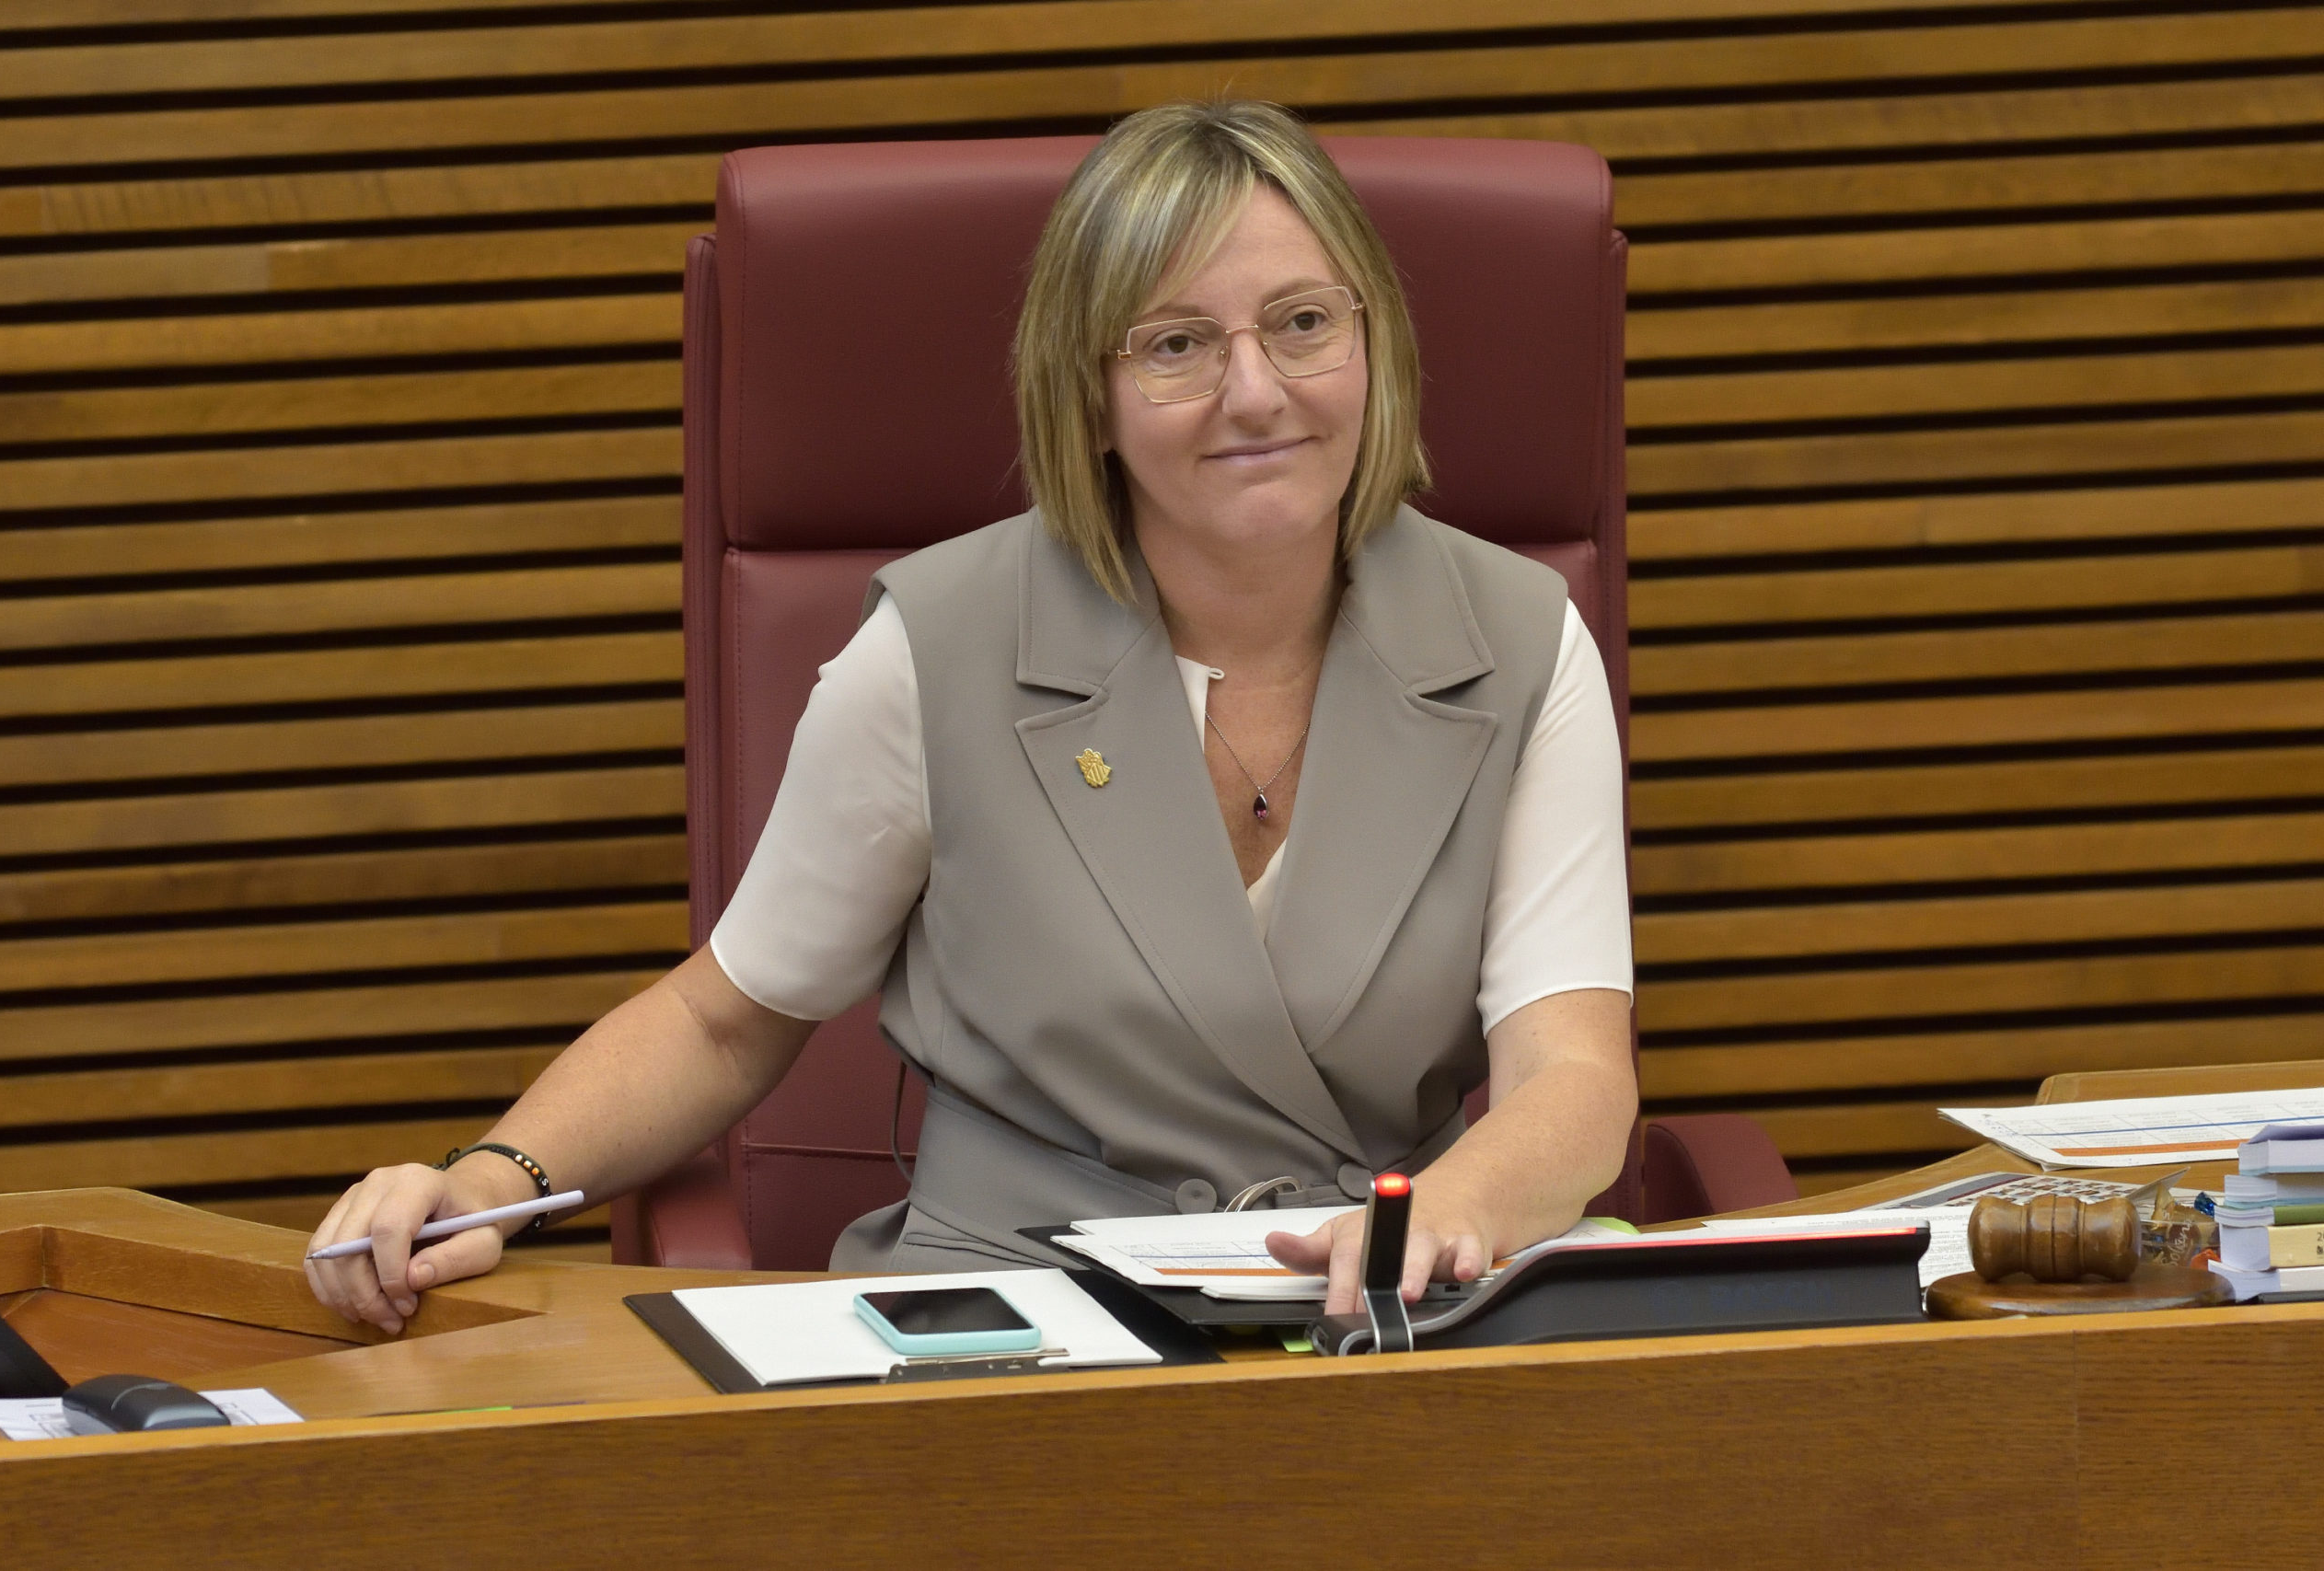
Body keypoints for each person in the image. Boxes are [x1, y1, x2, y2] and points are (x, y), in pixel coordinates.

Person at [306, 98, 1636, 1337]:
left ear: (1371, 340)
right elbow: (726, 1017)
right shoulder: (934, 648)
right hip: (1010, 1321)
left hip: (1374, 1315)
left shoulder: (1520, 644)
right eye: (1177, 345)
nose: (1255, 391)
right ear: (1093, 397)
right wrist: (494, 1174)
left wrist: (1451, 1217)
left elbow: (1571, 1078)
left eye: (1301, 323)